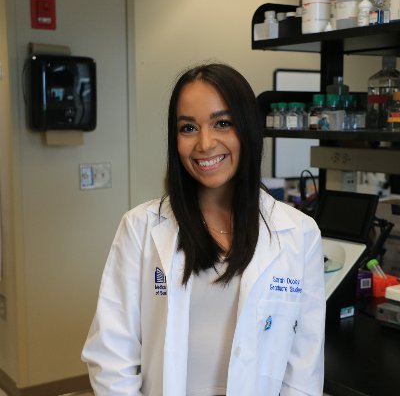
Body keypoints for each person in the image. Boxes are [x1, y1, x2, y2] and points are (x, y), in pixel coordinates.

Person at [82, 63, 326, 396]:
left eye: (222, 123)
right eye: (188, 128)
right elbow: (111, 356)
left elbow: (303, 368)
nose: (205, 143)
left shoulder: (299, 233)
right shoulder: (141, 227)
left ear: (248, 130)